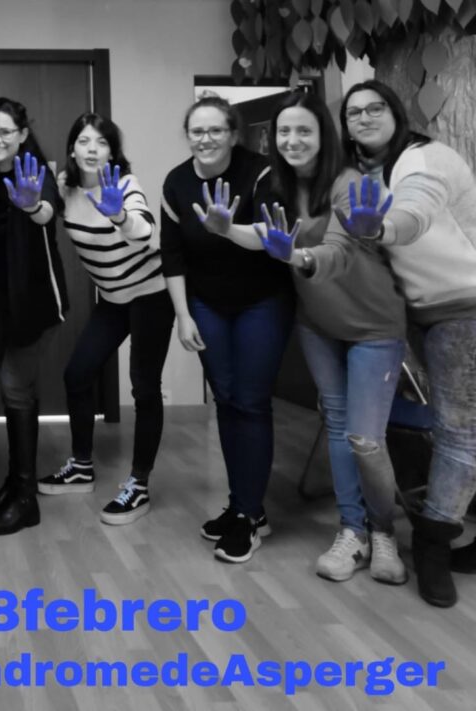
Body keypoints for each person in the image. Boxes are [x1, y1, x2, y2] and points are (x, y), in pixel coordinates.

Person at [211, 91, 408, 583]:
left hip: (374, 325)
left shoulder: (348, 183)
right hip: (318, 324)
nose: (292, 140)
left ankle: (383, 531)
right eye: (284, 131)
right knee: (339, 426)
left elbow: (337, 251)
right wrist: (227, 230)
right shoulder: (276, 183)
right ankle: (352, 531)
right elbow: (266, 235)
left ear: (324, 135)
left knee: (365, 439)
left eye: (304, 130)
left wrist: (297, 257)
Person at [333, 80, 476, 607]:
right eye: (354, 113)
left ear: (396, 113)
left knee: (458, 429)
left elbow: (414, 212)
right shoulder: (357, 172)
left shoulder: (424, 159)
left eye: (375, 108)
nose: (365, 118)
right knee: (458, 428)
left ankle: (433, 543)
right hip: (410, 312)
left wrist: (381, 228)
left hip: (463, 306)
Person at [160, 95, 293, 563]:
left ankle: (248, 515)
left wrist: (227, 229)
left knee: (251, 403)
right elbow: (171, 254)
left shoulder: (260, 172)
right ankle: (243, 507)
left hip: (262, 301)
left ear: (234, 134)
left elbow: (271, 237)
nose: (206, 139)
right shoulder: (176, 182)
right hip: (206, 304)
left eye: (216, 130)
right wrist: (183, 314)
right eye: (197, 131)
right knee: (227, 399)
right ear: (187, 135)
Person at [37, 112, 174, 526]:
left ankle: (139, 484)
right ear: (72, 149)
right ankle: (81, 466)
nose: (92, 149)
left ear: (112, 152)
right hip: (113, 299)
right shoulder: (65, 186)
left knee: (144, 387)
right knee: (77, 374)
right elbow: (41, 214)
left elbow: (145, 231)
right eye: (84, 141)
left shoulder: (124, 185)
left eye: (101, 142)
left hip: (152, 295)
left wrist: (118, 215)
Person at [0, 97, 69, 536]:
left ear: (22, 134)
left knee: (13, 386)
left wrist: (30, 204)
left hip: (36, 301)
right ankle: (16, 482)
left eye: (5, 131)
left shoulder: (35, 173)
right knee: (19, 392)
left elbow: (48, 213)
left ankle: (26, 501)